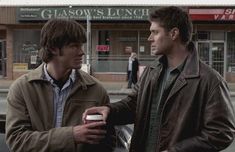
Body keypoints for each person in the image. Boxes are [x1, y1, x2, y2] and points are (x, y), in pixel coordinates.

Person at [83, 6, 235, 152]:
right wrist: (110, 110)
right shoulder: (152, 70)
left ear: (174, 33)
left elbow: (221, 132)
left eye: (155, 32)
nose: (149, 38)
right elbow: (133, 105)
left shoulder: (210, 80)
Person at [5, 19, 115, 152]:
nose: (81, 52)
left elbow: (108, 143)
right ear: (53, 48)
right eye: (74, 46)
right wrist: (71, 136)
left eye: (81, 46)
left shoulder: (96, 90)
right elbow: (17, 141)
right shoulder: (22, 89)